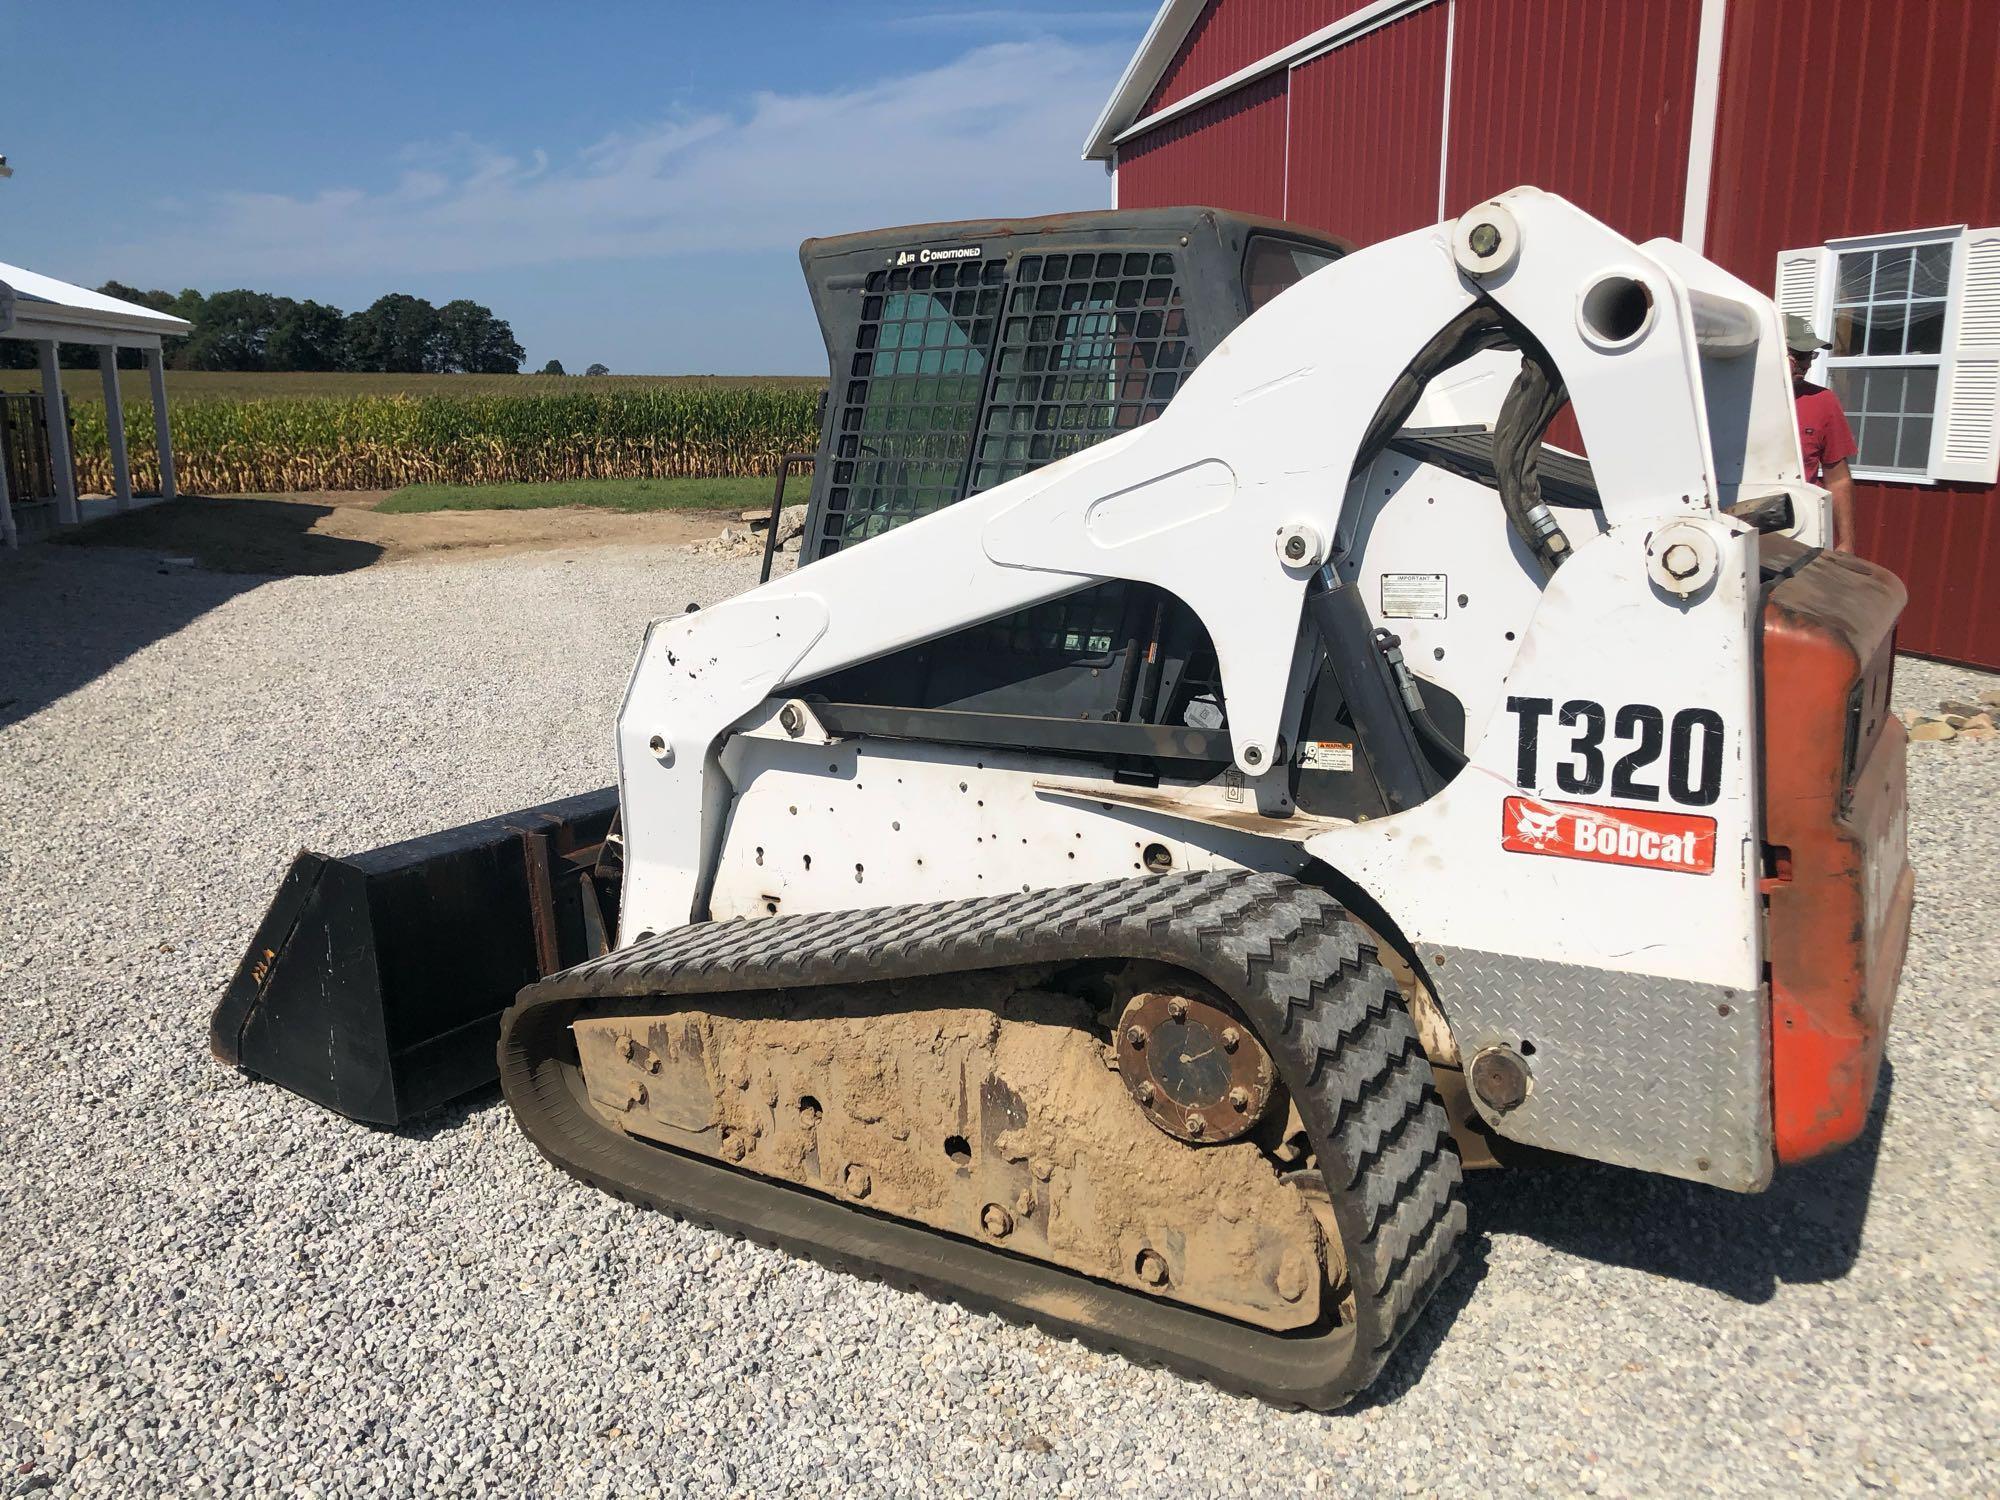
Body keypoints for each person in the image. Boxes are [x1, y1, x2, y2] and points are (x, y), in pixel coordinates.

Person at [1786, 314, 1858, 550]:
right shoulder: (1729, 399)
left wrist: (1846, 543)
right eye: (1799, 356)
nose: (1807, 364)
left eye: (1811, 356)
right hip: (1736, 530)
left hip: (1800, 534)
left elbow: (1838, 478)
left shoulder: (1823, 401)